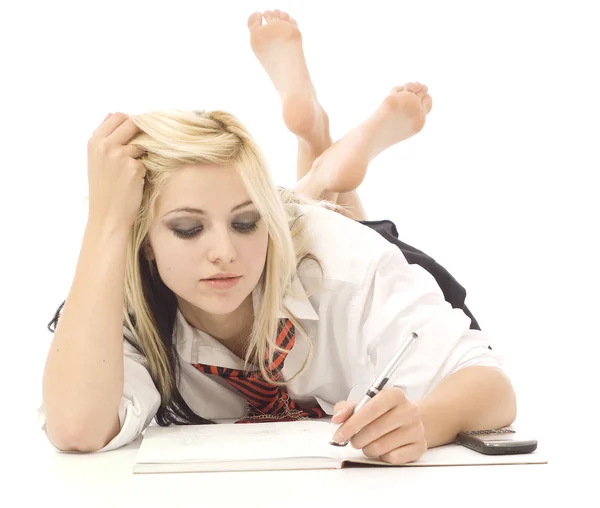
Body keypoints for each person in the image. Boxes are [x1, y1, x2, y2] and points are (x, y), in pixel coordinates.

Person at [41, 10, 516, 465]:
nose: (224, 254)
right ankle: (322, 158)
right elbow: (78, 430)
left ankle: (325, 165)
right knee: (303, 209)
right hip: (291, 228)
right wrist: (106, 222)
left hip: (325, 248)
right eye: (188, 229)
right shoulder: (120, 303)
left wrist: (426, 422)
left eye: (247, 223)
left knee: (327, 227)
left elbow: (493, 389)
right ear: (144, 240)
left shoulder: (344, 264)